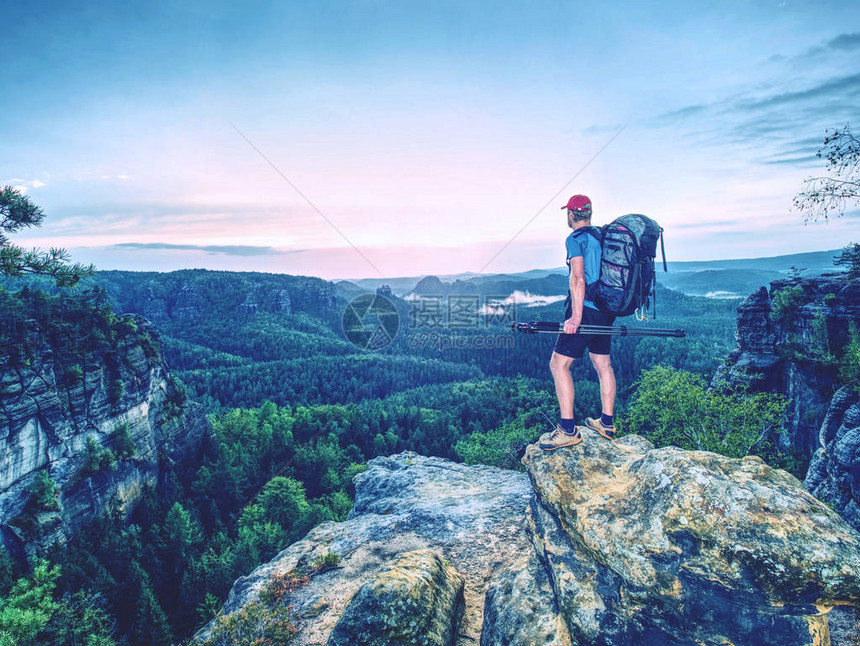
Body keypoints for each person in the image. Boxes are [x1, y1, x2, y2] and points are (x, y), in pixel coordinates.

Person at [539, 194, 617, 451]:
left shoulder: (575, 239)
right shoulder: (601, 236)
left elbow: (577, 279)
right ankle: (606, 423)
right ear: (590, 213)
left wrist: (576, 316)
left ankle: (568, 429)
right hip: (606, 309)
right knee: (602, 363)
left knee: (558, 364)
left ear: (571, 214)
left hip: (587, 309)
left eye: (568, 213)